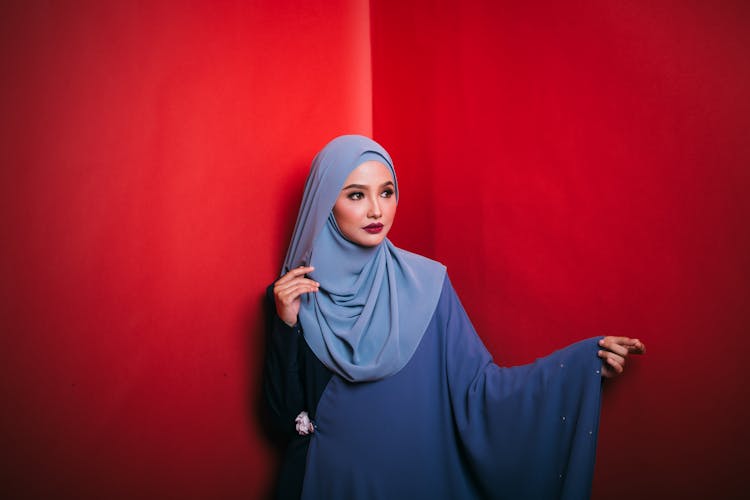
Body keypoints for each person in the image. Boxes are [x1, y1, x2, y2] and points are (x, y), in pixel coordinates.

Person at [263, 135, 645, 499]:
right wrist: (286, 324)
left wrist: (581, 367)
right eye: (356, 195)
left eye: (386, 192)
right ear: (325, 203)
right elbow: (282, 421)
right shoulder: (293, 295)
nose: (376, 210)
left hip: (411, 483)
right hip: (328, 483)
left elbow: (478, 387)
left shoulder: (427, 285)